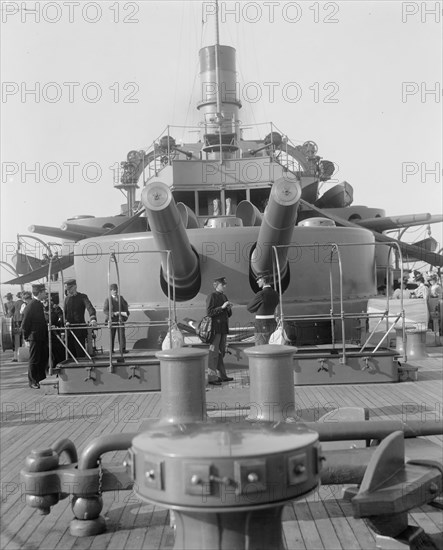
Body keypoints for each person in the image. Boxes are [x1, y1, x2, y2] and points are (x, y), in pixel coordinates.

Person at [206, 276, 234, 385]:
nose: (225, 286)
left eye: (225, 285)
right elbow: (209, 312)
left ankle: (222, 375)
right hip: (215, 329)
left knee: (221, 352)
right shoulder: (211, 296)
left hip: (223, 328)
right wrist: (222, 307)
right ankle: (212, 377)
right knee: (213, 353)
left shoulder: (224, 296)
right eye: (223, 285)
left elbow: (229, 314)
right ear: (216, 285)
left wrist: (228, 308)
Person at [21, 284, 48, 389]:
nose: (45, 294)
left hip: (41, 336)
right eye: (44, 292)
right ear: (40, 293)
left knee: (42, 357)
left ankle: (40, 378)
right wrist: (26, 337)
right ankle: (32, 381)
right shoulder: (31, 305)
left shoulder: (39, 304)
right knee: (34, 359)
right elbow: (25, 323)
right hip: (34, 336)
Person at [64, 279, 97, 358]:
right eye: (67, 289)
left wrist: (93, 318)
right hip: (69, 331)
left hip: (79, 330)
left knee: (80, 353)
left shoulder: (82, 297)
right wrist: (65, 321)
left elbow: (90, 308)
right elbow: (64, 314)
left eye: (70, 288)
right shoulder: (66, 299)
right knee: (70, 355)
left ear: (75, 287)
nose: (68, 291)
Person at [247, 272, 280, 345]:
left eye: (258, 279)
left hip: (261, 326)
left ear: (263, 280)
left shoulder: (261, 294)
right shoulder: (275, 294)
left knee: (261, 349)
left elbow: (249, 308)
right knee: (272, 347)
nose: (257, 281)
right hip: (272, 324)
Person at [103, 283, 130, 353]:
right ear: (111, 291)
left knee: (121, 335)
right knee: (112, 335)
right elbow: (105, 310)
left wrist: (125, 315)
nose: (115, 291)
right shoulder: (108, 300)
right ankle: (111, 350)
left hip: (120, 320)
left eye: (116, 289)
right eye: (114, 290)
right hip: (112, 320)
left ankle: (122, 349)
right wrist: (112, 313)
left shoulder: (121, 298)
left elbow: (125, 306)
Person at [44, 292, 66, 367]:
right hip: (45, 334)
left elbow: (62, 319)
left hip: (55, 333)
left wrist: (62, 332)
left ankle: (57, 365)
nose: (46, 302)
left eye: (48, 300)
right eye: (45, 301)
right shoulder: (41, 309)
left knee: (58, 350)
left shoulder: (56, 309)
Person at [12, 292, 25, 362]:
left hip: (15, 320)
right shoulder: (23, 303)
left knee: (16, 337)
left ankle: (16, 355)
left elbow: (11, 311)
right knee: (23, 336)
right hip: (22, 320)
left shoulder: (15, 303)